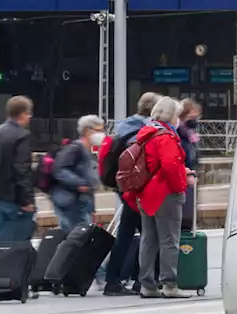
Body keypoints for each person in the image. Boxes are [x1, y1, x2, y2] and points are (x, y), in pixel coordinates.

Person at [96, 92, 162, 296]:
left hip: (126, 191)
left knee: (127, 237)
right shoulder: (144, 132)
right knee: (151, 238)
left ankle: (115, 280)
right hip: (139, 192)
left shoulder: (124, 127)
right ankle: (141, 280)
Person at [133, 97, 192, 299]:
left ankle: (147, 284)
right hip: (165, 194)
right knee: (169, 241)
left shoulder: (147, 133)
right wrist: (181, 185)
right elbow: (169, 166)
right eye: (177, 115)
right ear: (171, 115)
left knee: (148, 240)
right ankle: (169, 284)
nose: (178, 119)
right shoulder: (166, 136)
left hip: (146, 193)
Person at [0, 95, 36, 241]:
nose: (30, 117)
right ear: (23, 114)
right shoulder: (22, 135)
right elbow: (22, 170)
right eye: (29, 114)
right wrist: (27, 200)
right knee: (17, 240)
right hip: (13, 198)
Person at [49, 115, 104, 232]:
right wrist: (80, 184)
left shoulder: (85, 150)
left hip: (79, 201)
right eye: (99, 130)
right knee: (78, 237)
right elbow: (59, 170)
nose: (102, 134)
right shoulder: (75, 148)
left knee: (78, 237)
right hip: (72, 202)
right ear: (87, 131)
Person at [177, 99, 202, 232]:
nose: (195, 120)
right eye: (192, 116)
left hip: (191, 175)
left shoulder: (190, 133)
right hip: (184, 177)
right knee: (184, 214)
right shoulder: (180, 133)